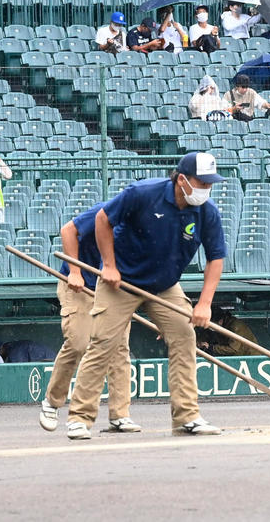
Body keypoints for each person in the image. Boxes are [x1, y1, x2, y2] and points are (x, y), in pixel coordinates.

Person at [65, 152, 227, 439]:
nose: (205, 189)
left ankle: (186, 416)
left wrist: (204, 304)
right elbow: (103, 219)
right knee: (103, 342)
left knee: (184, 336)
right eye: (201, 183)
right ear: (181, 180)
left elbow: (216, 257)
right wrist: (110, 266)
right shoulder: (142, 193)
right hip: (121, 282)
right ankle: (80, 417)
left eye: (209, 184)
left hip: (164, 284)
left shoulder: (206, 211)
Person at [39, 202, 140, 435]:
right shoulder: (109, 211)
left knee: (119, 348)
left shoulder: (148, 227)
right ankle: (52, 403)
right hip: (78, 285)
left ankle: (120, 415)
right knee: (78, 343)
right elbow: (67, 231)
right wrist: (74, 272)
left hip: (113, 289)